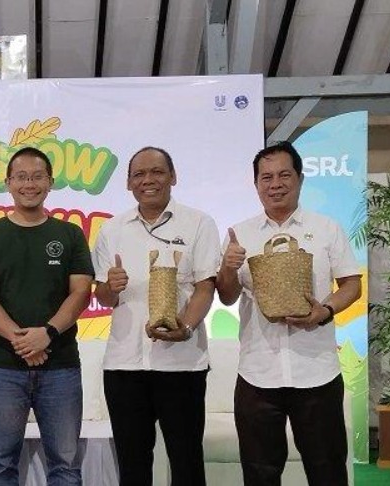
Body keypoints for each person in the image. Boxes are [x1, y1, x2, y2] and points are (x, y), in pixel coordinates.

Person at [215, 141, 362, 486]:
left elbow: (352, 285)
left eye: (284, 175)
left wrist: (325, 311)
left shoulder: (327, 228)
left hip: (317, 372)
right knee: (259, 473)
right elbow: (227, 296)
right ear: (256, 184)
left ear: (300, 179)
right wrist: (227, 267)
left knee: (327, 471)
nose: (275, 184)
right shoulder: (239, 234)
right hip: (257, 374)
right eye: (266, 177)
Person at [0, 146, 94, 485]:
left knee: (65, 466)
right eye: (21, 177)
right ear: (8, 183)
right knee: (0, 465)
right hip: (2, 367)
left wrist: (47, 333)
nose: (29, 184)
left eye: (37, 177)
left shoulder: (70, 234)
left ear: (50, 182)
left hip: (61, 365)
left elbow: (81, 292)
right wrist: (22, 340)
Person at [92, 147, 220, 486]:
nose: (148, 180)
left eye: (157, 172)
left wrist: (187, 326)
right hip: (124, 365)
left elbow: (206, 287)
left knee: (187, 463)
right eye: (139, 174)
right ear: (128, 183)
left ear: (173, 177)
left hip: (182, 363)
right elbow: (103, 296)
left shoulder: (199, 223)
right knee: (132, 466)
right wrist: (110, 287)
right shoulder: (112, 229)